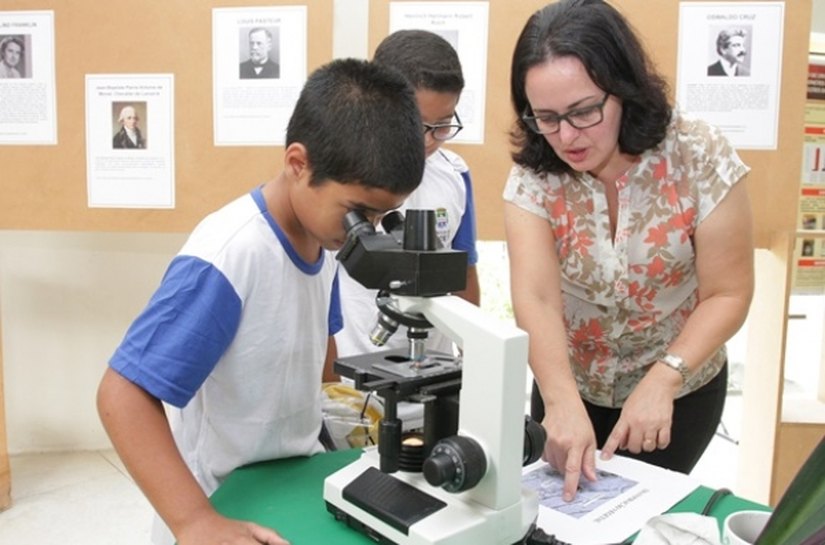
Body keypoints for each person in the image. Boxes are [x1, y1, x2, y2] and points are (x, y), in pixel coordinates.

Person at [96, 58, 425, 545]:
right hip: (223, 503)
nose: (369, 230)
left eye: (382, 216)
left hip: (291, 479)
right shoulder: (230, 255)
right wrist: (193, 522)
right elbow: (120, 396)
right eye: (359, 213)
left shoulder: (325, 237)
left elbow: (320, 350)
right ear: (298, 163)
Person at [504, 0, 753, 502]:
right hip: (569, 386)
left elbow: (728, 293)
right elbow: (537, 296)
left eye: (584, 111)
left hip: (678, 391)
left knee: (644, 520)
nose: (567, 136)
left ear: (624, 90)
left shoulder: (696, 154)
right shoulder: (535, 174)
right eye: (546, 118)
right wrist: (559, 400)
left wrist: (666, 376)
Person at [334, 29, 480, 360]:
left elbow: (465, 271)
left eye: (442, 125)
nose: (427, 141)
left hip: (435, 365)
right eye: (414, 123)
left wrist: (473, 355)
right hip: (356, 367)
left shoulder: (455, 175)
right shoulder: (338, 178)